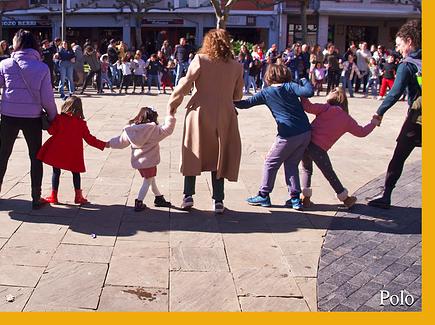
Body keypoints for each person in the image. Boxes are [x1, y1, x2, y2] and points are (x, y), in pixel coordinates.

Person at [0, 29, 57, 208]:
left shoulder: (6, 64)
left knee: (3, 154)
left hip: (9, 115)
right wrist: (53, 117)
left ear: (17, 44)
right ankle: (36, 197)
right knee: (35, 157)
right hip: (33, 118)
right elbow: (48, 99)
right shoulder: (42, 68)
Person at [168, 28, 244, 213]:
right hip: (225, 112)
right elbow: (238, 95)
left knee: (193, 150)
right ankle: (218, 200)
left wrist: (173, 104)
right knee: (219, 154)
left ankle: (188, 195)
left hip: (200, 110)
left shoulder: (201, 59)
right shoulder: (236, 66)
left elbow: (186, 82)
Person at [235, 63, 314, 211]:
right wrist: (304, 80)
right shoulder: (290, 86)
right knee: (291, 165)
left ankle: (264, 194)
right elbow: (309, 92)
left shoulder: (267, 92)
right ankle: (295, 198)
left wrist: (228, 99)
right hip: (305, 132)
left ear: (268, 76)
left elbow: (245, 104)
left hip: (287, 134)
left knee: (270, 162)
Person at [367, 20, 422, 209]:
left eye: (399, 45)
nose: (398, 49)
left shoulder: (408, 64)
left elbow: (394, 93)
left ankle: (386, 194)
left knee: (399, 156)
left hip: (418, 120)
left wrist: (379, 112)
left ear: (409, 41)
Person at [300, 88, 380, 208]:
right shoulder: (346, 118)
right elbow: (362, 132)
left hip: (305, 143)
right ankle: (345, 198)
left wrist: (303, 93)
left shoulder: (325, 108)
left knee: (306, 169)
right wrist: (373, 122)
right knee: (329, 173)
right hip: (319, 149)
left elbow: (307, 106)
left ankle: (305, 198)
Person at [38, 96, 107, 205]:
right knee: (76, 173)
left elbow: (51, 131)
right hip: (73, 153)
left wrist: (47, 121)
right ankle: (78, 196)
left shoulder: (59, 119)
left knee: (56, 172)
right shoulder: (81, 124)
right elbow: (89, 139)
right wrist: (103, 144)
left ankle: (54, 196)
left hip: (58, 150)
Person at [109, 107, 175, 211]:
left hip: (139, 161)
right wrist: (171, 116)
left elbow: (120, 142)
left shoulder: (131, 130)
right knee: (148, 181)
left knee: (151, 179)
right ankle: (139, 201)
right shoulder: (154, 130)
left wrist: (108, 144)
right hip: (150, 161)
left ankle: (158, 198)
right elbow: (168, 129)